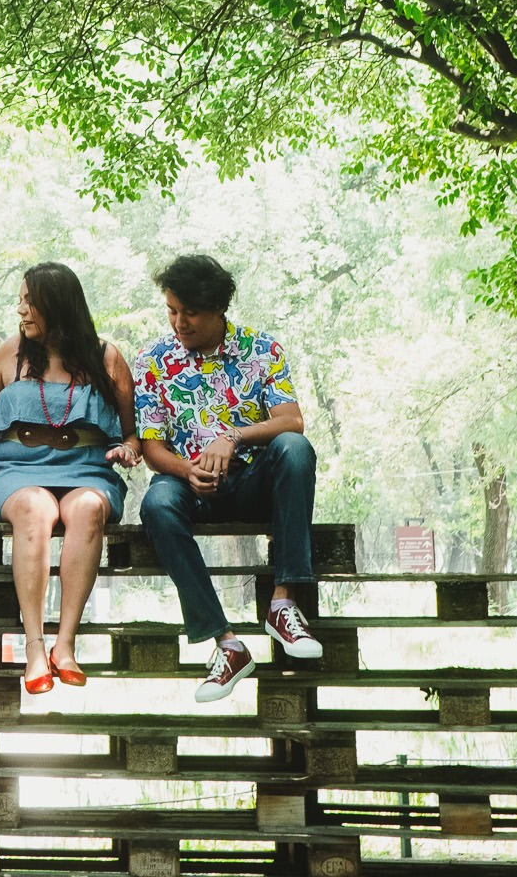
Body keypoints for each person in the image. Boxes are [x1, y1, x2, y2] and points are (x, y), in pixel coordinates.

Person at [135, 253, 323, 703]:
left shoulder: (262, 350)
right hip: (189, 485)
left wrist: (232, 437)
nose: (179, 322)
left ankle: (282, 604)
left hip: (253, 479)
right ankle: (227, 643)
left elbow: (291, 421)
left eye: (190, 313)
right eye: (172, 311)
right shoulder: (153, 360)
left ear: (219, 309)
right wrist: (188, 469)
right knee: (155, 504)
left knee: (296, 450)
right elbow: (151, 447)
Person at [0, 262, 141, 694]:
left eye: (29, 301)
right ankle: (35, 646)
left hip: (87, 471)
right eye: (20, 300)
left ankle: (65, 644)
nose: (21, 310)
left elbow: (133, 432)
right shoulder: (11, 353)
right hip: (17, 473)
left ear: (57, 307)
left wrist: (128, 449)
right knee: (35, 507)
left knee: (88, 508)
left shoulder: (106, 357)